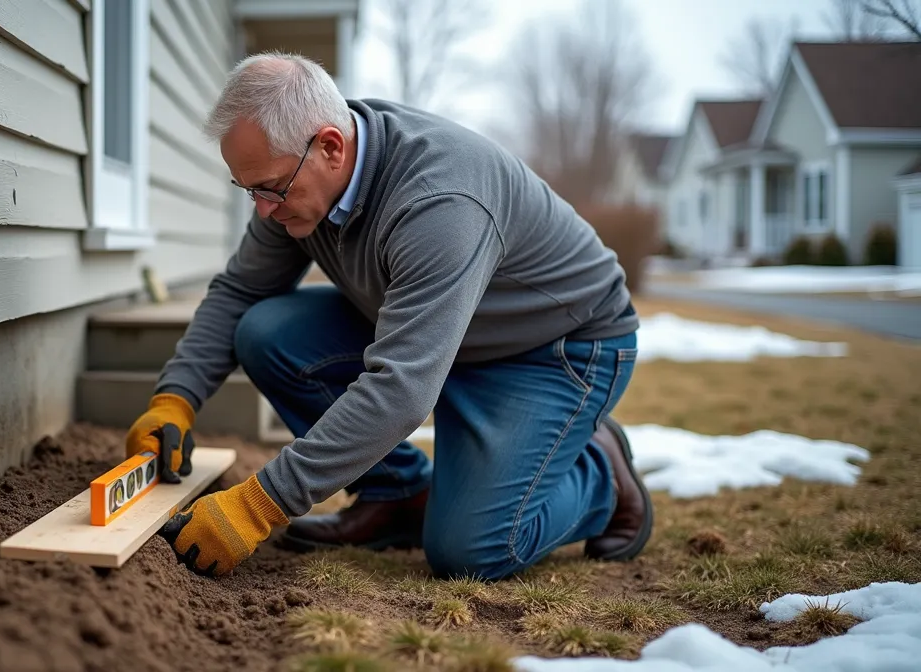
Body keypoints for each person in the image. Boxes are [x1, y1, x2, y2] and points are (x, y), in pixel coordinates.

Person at [125, 52, 651, 580]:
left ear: (330, 146)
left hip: (554, 349)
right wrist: (175, 401)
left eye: (270, 188)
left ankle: (603, 474)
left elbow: (401, 389)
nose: (262, 209)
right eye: (248, 190)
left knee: (471, 551)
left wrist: (260, 504)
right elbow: (241, 289)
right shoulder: (294, 179)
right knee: (265, 332)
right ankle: (395, 494)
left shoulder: (440, 202)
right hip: (446, 333)